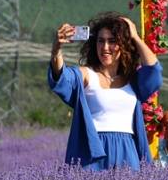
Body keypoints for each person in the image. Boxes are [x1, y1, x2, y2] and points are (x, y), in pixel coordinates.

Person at [48, 12, 162, 170]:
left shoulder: (133, 80)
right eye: (100, 41)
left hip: (127, 149)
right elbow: (61, 77)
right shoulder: (86, 74)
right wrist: (56, 50)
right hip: (93, 150)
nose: (105, 47)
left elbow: (154, 72)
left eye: (112, 41)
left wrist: (135, 37)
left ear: (123, 45)